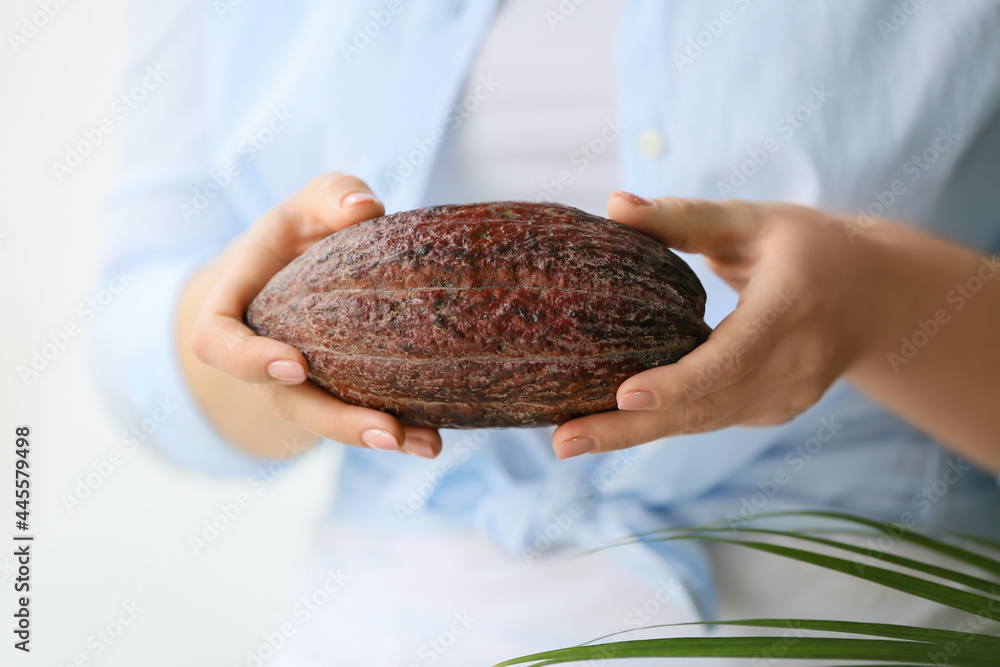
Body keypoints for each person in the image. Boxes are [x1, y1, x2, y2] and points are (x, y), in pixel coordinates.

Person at [94, 1, 1000, 664]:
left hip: (856, 621)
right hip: (387, 628)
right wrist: (260, 359)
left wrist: (877, 297)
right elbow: (135, 353)